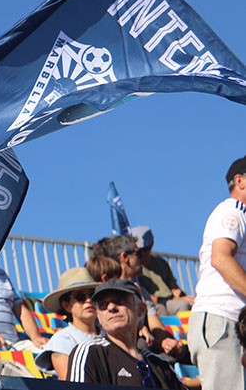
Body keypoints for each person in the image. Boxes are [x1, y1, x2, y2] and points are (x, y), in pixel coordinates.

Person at [188, 156, 246, 390]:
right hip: (223, 320)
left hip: (229, 323)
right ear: (240, 181)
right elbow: (221, 258)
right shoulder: (232, 210)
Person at [67, 279, 187, 389]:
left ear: (140, 310)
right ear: (98, 316)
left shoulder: (161, 366)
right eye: (103, 304)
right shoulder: (90, 353)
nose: (111, 307)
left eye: (120, 301)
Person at [100, 234, 186, 362]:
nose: (143, 259)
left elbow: (156, 326)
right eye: (137, 254)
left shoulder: (142, 292)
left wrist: (166, 342)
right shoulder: (103, 293)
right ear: (125, 257)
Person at [35, 267, 100, 379]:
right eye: (80, 297)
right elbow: (70, 384)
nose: (88, 300)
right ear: (67, 306)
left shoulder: (110, 334)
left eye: (92, 295)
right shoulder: (62, 340)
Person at [131, 225, 193, 315]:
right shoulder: (134, 268)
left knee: (189, 305)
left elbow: (174, 288)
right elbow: (143, 295)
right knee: (167, 307)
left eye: (145, 249)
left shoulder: (161, 263)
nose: (142, 254)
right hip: (155, 303)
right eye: (139, 251)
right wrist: (177, 299)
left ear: (151, 245)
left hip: (170, 301)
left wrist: (188, 298)